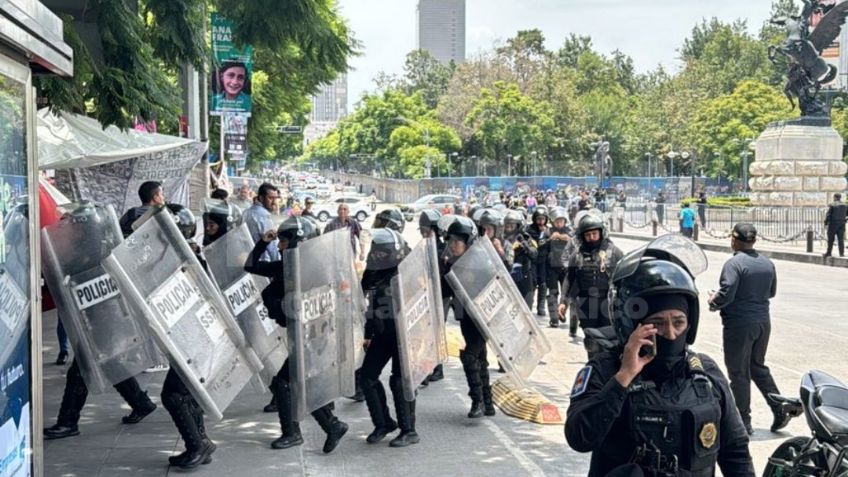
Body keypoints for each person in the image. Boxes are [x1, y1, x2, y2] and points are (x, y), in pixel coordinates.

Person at [565, 237, 755, 477]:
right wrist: (623, 378)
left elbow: (734, 450)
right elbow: (578, 437)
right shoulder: (605, 369)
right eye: (657, 323)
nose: (671, 333)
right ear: (632, 324)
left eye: (679, 322)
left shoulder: (704, 373)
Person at [244, 216, 349, 453]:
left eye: (282, 241)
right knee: (296, 384)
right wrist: (263, 242)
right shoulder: (286, 267)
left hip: (312, 337)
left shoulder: (316, 269)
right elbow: (250, 266)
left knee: (284, 383)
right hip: (300, 336)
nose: (279, 246)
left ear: (295, 242)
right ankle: (331, 426)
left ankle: (297, 432)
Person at [708, 223, 790, 436]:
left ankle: (743, 421)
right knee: (757, 367)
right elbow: (771, 292)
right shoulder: (767, 263)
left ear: (734, 240)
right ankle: (780, 407)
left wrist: (713, 301)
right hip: (763, 322)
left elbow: (727, 293)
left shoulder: (733, 264)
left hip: (739, 325)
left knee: (738, 372)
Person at [360, 229, 421, 447]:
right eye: (375, 251)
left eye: (382, 252)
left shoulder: (407, 270)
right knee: (366, 377)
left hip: (404, 335)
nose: (376, 256)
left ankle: (409, 430)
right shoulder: (374, 270)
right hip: (382, 332)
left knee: (399, 381)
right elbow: (365, 299)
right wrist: (367, 333)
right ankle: (384, 423)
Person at [442, 217, 496, 419]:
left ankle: (478, 401)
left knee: (470, 356)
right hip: (465, 319)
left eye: (457, 241)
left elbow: (495, 288)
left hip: (481, 319)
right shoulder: (453, 265)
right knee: (480, 359)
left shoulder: (481, 264)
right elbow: (444, 291)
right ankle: (488, 403)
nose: (453, 245)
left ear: (467, 242)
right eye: (451, 241)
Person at [557, 211, 623, 358]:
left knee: (609, 342)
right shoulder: (577, 255)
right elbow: (570, 279)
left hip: (608, 303)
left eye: (594, 234)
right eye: (587, 235)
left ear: (601, 232)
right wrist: (563, 302)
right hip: (586, 304)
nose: (591, 238)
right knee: (592, 342)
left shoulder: (614, 252)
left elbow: (625, 278)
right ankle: (594, 370)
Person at [419, 210, 447, 383]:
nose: (423, 233)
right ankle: (429, 367)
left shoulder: (443, 249)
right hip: (427, 294)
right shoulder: (424, 246)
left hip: (441, 294)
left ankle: (438, 368)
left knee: (436, 332)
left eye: (426, 230)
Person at [544, 207, 572, 329]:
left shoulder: (570, 232)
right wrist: (549, 239)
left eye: (561, 221)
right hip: (551, 268)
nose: (559, 223)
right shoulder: (547, 232)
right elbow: (539, 246)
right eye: (557, 221)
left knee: (566, 294)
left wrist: (570, 239)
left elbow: (579, 246)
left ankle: (562, 312)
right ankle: (553, 318)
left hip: (566, 268)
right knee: (553, 293)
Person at [503, 209, 538, 307]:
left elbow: (534, 254)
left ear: (519, 226)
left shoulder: (526, 238)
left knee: (527, 304)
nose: (509, 229)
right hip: (507, 276)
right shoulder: (501, 239)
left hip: (524, 276)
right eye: (507, 226)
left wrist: (525, 247)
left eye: (512, 226)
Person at [242, 183, 281, 262]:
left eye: (275, 198)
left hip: (248, 260)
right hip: (262, 262)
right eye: (270, 198)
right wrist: (277, 265)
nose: (274, 202)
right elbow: (272, 245)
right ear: (261, 198)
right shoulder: (264, 216)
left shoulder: (246, 212)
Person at [525, 209, 550, 317]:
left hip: (543, 261)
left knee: (543, 284)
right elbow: (530, 243)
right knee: (533, 283)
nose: (541, 221)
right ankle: (529, 306)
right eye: (538, 219)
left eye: (543, 219)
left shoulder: (548, 230)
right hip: (533, 260)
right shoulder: (530, 230)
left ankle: (541, 307)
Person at [824, 192, 847, 258]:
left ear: (835, 197)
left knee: (830, 239)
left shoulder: (832, 205)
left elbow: (828, 215)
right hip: (842, 224)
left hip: (833, 224)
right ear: (840, 198)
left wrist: (825, 223)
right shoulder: (845, 205)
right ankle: (841, 253)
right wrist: (844, 220)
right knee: (841, 239)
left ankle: (829, 253)